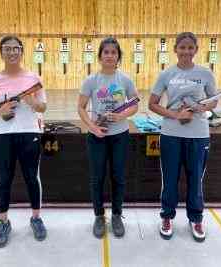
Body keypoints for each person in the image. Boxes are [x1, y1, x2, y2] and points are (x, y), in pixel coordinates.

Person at [0, 35, 47, 248]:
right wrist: (0, 110)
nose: (12, 52)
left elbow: (43, 107)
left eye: (16, 48)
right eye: (7, 48)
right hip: (1, 136)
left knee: (31, 178)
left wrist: (33, 102)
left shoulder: (33, 79)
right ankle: (4, 222)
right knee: (3, 181)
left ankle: (36, 218)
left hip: (29, 133)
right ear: (1, 52)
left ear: (21, 51)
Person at [148, 32, 218, 242]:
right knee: (169, 180)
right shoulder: (166, 74)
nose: (186, 52)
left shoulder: (205, 74)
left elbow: (213, 101)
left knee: (196, 179)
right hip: (171, 134)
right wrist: (176, 114)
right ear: (175, 49)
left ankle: (196, 218)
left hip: (198, 135)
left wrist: (197, 108)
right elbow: (152, 103)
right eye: (182, 47)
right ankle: (167, 217)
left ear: (196, 50)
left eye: (190, 48)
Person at [78, 37, 138, 238]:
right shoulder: (91, 80)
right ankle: (98, 216)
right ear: (100, 56)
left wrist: (122, 115)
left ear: (118, 56)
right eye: (106, 52)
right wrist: (92, 127)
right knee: (97, 178)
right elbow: (81, 107)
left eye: (114, 52)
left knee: (118, 177)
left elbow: (135, 104)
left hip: (120, 136)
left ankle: (117, 215)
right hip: (97, 136)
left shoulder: (125, 80)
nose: (110, 55)